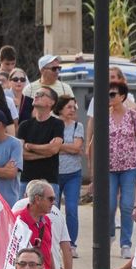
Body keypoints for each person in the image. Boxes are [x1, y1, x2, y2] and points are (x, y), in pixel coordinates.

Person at [94, 81, 136, 258]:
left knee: (126, 205)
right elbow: (95, 143)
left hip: (130, 167)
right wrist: (94, 170)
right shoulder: (102, 115)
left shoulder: (133, 116)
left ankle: (125, 243)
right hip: (108, 168)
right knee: (108, 205)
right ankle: (109, 235)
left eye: (112, 94)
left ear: (122, 97)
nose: (109, 97)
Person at [18, 87, 63, 196]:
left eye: (41, 94)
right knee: (23, 212)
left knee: (49, 213)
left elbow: (54, 149)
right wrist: (46, 153)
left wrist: (30, 146)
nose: (36, 96)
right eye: (36, 93)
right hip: (26, 180)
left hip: (49, 181)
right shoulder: (24, 125)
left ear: (51, 102)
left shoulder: (57, 124)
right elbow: (20, 153)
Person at [56, 96, 84, 254]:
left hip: (73, 173)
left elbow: (76, 148)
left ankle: (72, 244)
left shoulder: (77, 126)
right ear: (60, 109)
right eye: (69, 107)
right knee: (54, 209)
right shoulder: (53, 124)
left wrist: (59, 146)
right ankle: (54, 241)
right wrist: (69, 147)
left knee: (72, 209)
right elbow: (50, 147)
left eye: (74, 107)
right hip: (55, 172)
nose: (73, 110)